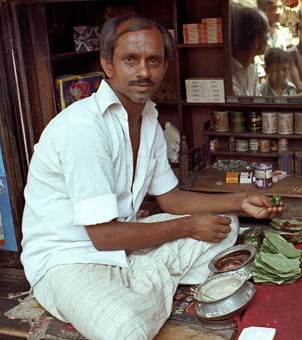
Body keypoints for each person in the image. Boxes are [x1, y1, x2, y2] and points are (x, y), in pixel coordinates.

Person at [20, 13, 283, 340]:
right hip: (70, 259)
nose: (143, 71)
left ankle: (141, 282)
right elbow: (102, 236)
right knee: (124, 329)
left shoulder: (148, 121)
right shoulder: (83, 129)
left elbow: (171, 199)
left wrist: (240, 202)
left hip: (121, 244)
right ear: (107, 64)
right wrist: (187, 227)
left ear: (165, 66)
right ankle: (144, 285)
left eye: (153, 60)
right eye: (130, 59)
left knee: (224, 224)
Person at [231, 4, 269, 96]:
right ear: (256, 41)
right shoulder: (231, 75)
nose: (268, 39)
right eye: (266, 35)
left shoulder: (251, 67)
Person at [255, 0, 294, 83]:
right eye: (272, 8)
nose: (278, 12)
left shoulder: (283, 29)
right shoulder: (260, 32)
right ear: (263, 11)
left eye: (280, 7)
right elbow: (258, 63)